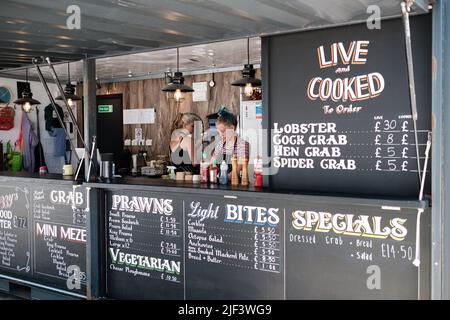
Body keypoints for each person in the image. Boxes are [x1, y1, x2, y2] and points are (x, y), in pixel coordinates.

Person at [211, 106, 249, 175]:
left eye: (222, 131)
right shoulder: (221, 144)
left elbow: (238, 169)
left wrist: (224, 178)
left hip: (236, 183)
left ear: (232, 128)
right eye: (219, 132)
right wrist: (213, 168)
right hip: (221, 182)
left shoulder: (242, 144)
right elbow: (212, 162)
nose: (221, 135)